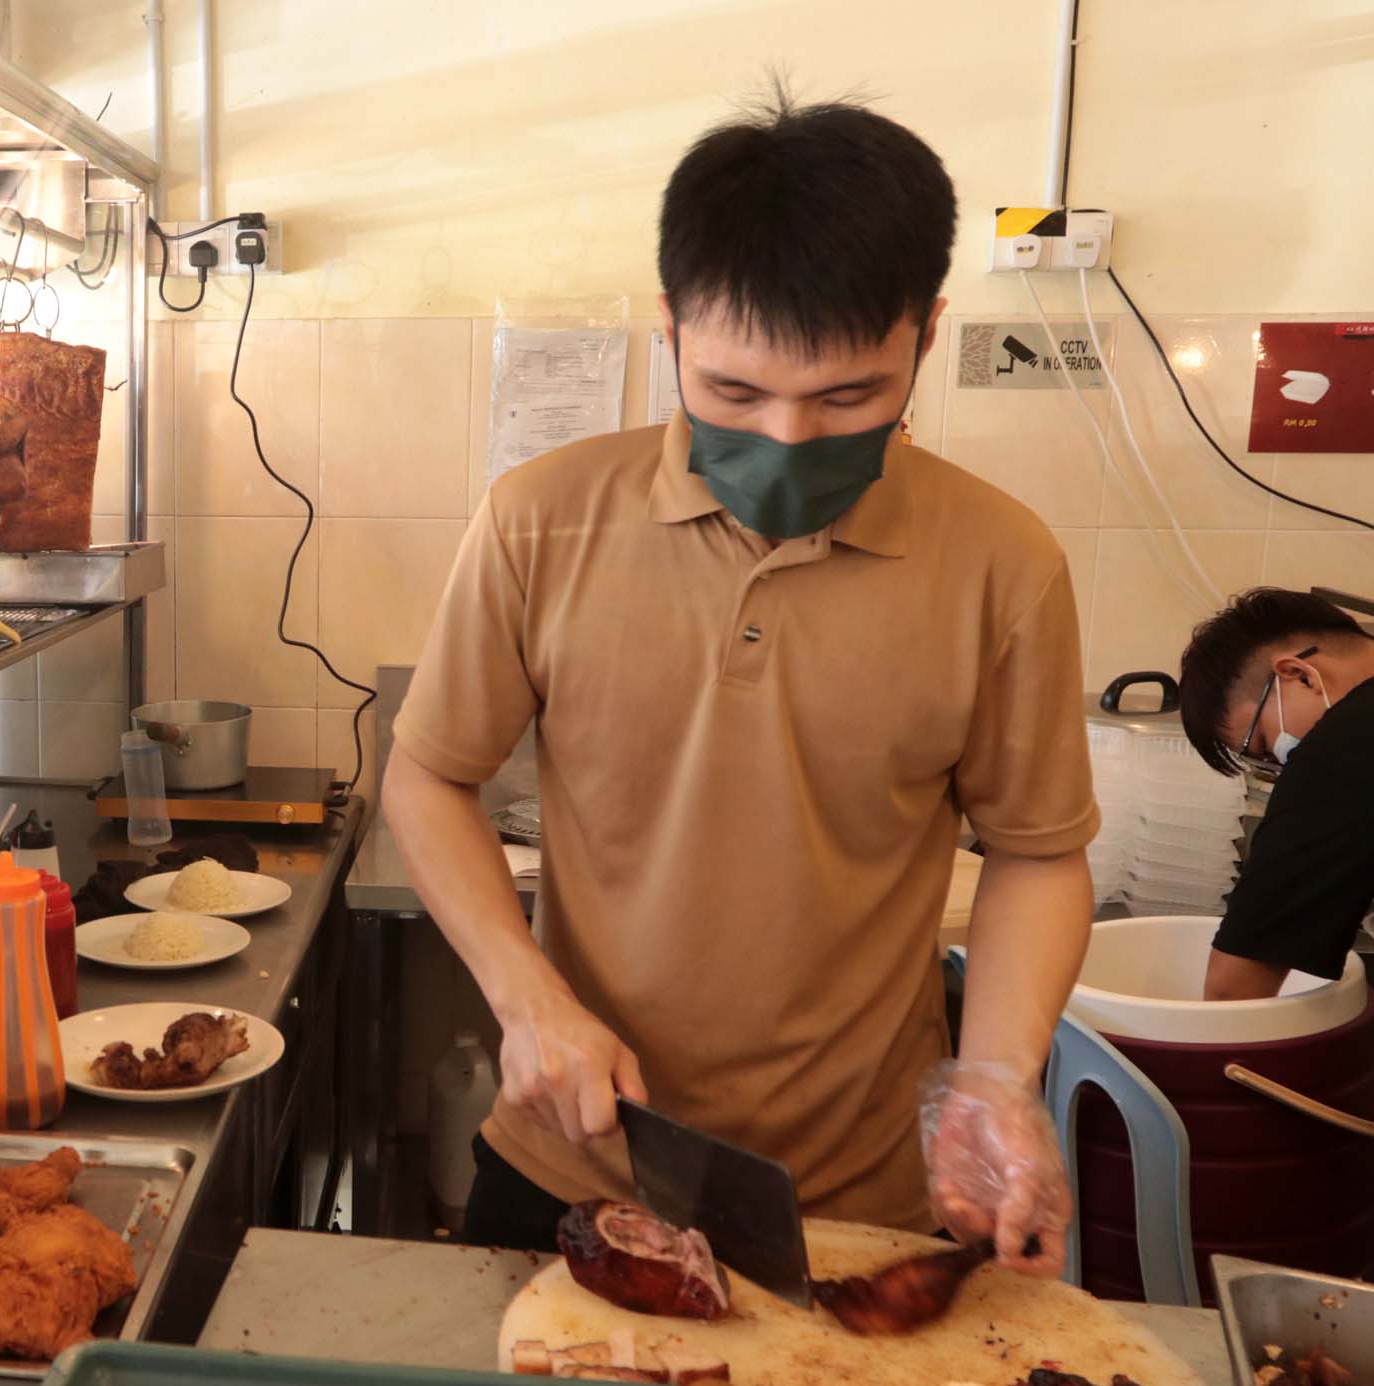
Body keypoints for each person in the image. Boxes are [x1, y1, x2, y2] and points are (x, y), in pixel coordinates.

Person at [384, 91, 1096, 1276]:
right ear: (668, 329)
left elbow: (1035, 850)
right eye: (732, 394)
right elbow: (427, 775)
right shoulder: (540, 524)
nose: (786, 441)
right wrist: (525, 996)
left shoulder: (1003, 565)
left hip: (866, 1199)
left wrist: (999, 1078)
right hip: (581, 1156)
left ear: (927, 333)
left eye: (848, 398)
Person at [1176, 587, 1374, 1000]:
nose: (1283, 767)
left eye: (1264, 745)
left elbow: (1233, 993)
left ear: (1298, 674)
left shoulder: (1348, 740)